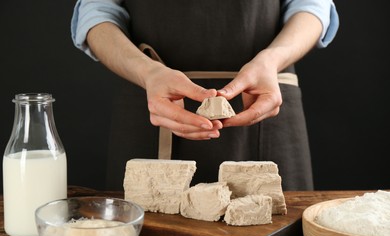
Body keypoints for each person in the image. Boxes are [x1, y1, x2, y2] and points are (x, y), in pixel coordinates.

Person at [71, 0, 339, 191]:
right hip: (155, 103)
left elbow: (312, 5)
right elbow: (96, 11)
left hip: (264, 101)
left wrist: (273, 58)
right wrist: (147, 72)